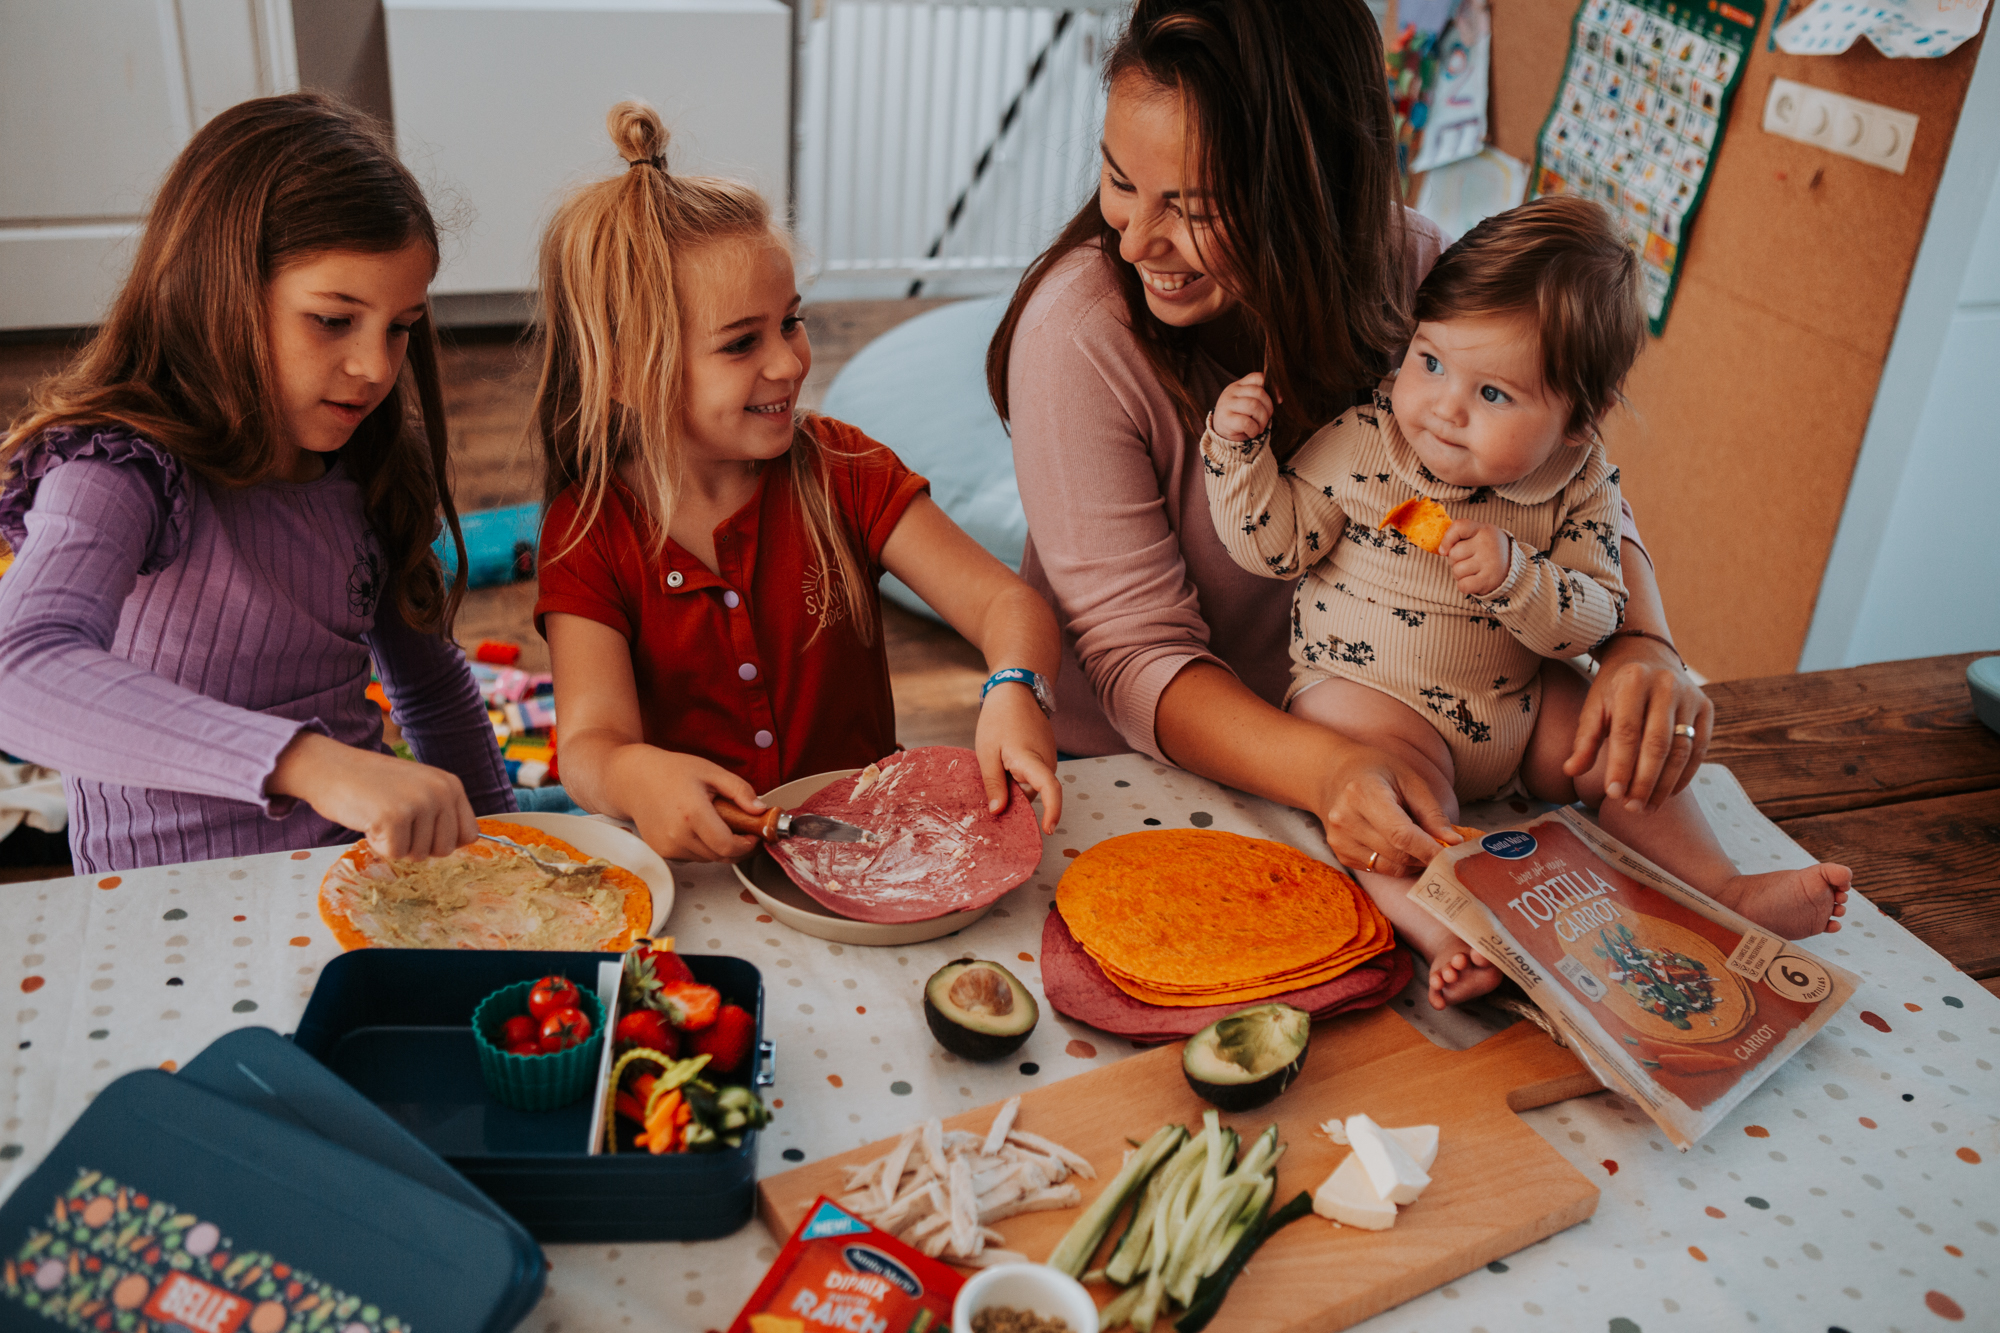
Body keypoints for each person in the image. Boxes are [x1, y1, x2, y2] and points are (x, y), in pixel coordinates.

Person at [988, 0, 1712, 886]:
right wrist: (1331, 768)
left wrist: (1645, 643)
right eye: (1119, 180)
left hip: (1405, 744)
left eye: (1196, 207)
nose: (1138, 239)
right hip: (1146, 776)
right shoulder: (1077, 335)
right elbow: (1140, 655)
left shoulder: (1417, 271)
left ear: (1313, 192)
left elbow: (1564, 468)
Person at [1202, 197, 1851, 1006]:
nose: (1444, 406)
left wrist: (1519, 577)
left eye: (1495, 394)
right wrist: (1236, 454)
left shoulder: (1579, 485)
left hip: (1516, 702)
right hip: (1373, 702)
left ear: (1581, 419)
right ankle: (1447, 930)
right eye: (1431, 361)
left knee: (1619, 736)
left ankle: (1721, 890)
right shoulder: (1369, 444)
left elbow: (1597, 615)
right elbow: (1275, 544)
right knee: (1398, 803)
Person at [534, 103, 1063, 862]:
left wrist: (1016, 686)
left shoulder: (845, 470)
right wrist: (633, 773)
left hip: (871, 856)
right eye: (741, 342)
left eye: (791, 321)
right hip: (698, 874)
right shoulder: (588, 534)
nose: (789, 362)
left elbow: (1004, 601)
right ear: (625, 373)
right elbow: (589, 743)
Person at [0, 93, 511, 873]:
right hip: (176, 921)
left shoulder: (368, 459)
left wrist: (506, 856)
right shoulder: (119, 465)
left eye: (400, 326)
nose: (376, 367)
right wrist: (312, 763)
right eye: (333, 320)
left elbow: (435, 691)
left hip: (360, 884)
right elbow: (18, 670)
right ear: (218, 292)